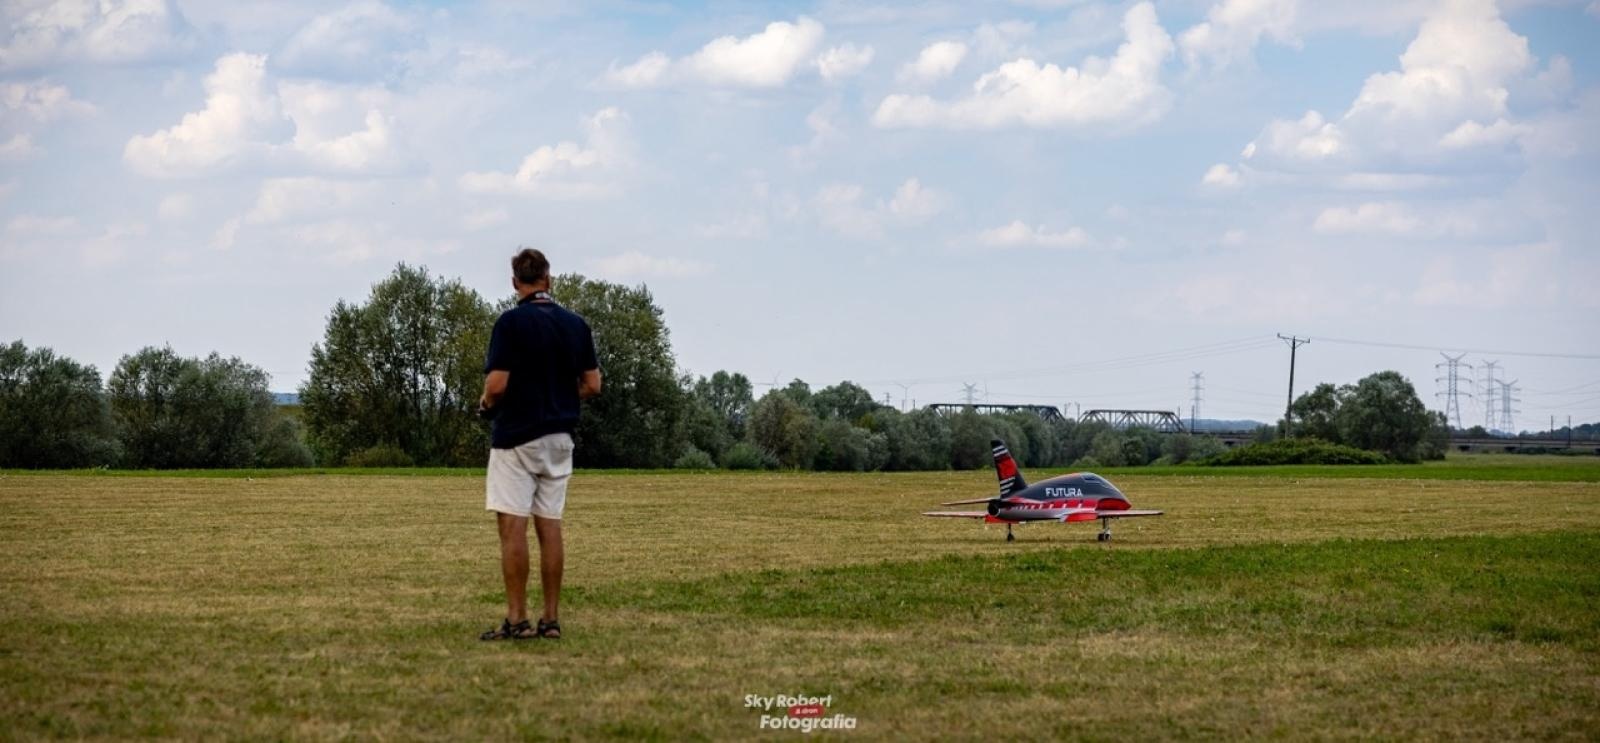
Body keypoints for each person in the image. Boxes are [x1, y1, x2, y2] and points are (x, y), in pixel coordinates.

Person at [478, 248, 601, 641]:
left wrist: (485, 404)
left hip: (516, 436)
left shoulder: (511, 324)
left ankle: (517, 619)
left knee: (512, 526)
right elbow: (592, 384)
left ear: (516, 283)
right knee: (550, 526)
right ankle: (551, 619)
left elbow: (496, 386)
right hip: (560, 438)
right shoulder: (575, 325)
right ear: (548, 279)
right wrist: (561, 397)